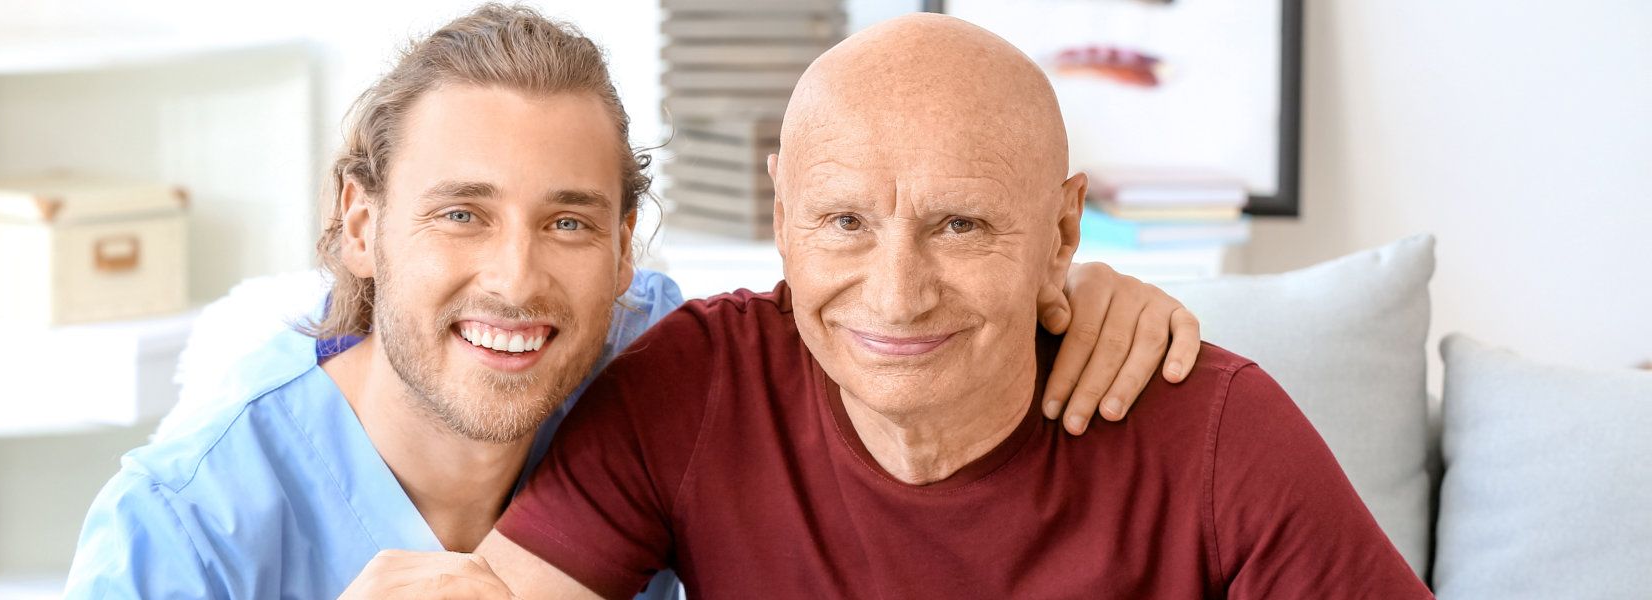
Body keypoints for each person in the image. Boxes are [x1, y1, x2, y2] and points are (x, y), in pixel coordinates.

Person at [65, 5, 1203, 599]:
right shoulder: (183, 526)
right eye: (461, 212)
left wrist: (1074, 292)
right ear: (359, 221)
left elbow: (885, 324)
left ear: (623, 251)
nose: (517, 278)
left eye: (566, 222)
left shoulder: (666, 367)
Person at [403, 13, 1434, 599]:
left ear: (1062, 236)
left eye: (961, 227)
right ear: (783, 215)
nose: (895, 296)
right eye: (844, 222)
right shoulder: (692, 387)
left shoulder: (1215, 434)